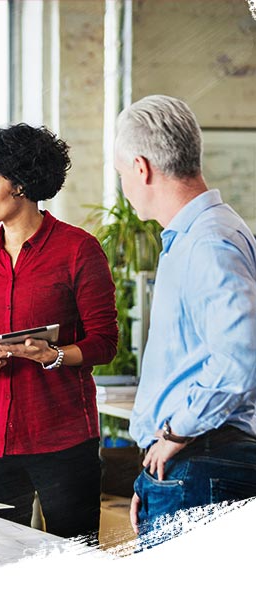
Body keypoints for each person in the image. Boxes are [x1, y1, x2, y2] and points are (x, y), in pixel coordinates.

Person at [0, 124, 119, 540]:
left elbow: (105, 341)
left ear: (21, 185)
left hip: (62, 439)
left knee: (74, 556)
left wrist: (56, 356)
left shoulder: (79, 250)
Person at [114, 95, 256, 543]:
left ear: (141, 168)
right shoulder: (201, 234)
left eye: (122, 175)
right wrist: (156, 473)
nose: (125, 187)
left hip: (201, 462)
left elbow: (240, 358)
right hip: (185, 467)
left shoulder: (207, 243)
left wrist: (176, 434)